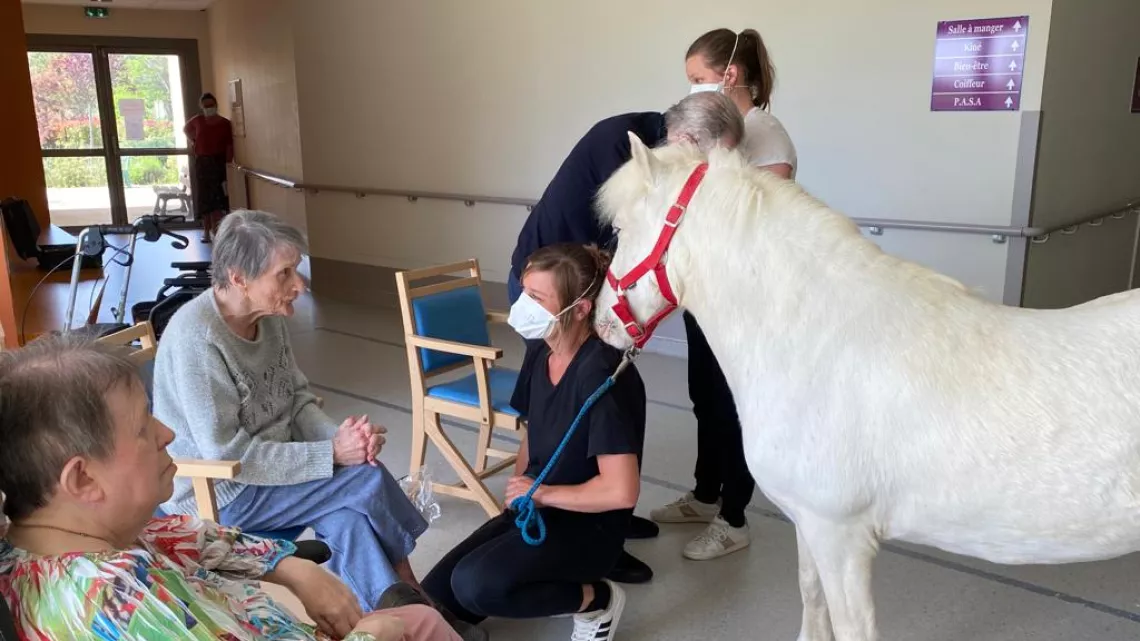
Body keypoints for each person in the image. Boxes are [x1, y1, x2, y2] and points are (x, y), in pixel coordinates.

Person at [0, 335, 461, 641]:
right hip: (238, 484)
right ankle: (402, 587)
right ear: (82, 479)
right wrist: (377, 634)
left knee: (359, 498)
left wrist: (291, 568)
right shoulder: (126, 604)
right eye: (143, 427)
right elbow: (233, 455)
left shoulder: (63, 542)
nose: (166, 433)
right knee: (410, 610)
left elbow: (185, 534)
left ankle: (399, 587)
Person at [151, 210, 440, 622]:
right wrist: (334, 455)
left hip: (276, 479)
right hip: (221, 494)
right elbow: (227, 455)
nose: (299, 285)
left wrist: (345, 441)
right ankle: (415, 593)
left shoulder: (269, 320)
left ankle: (390, 618)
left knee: (347, 517)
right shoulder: (196, 339)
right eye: (284, 273)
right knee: (367, 480)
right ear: (239, 278)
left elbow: (298, 401)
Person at [505, 91, 743, 585]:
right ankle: (584, 535)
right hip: (554, 292)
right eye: (710, 159)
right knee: (569, 407)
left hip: (590, 293)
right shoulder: (625, 146)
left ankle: (608, 511)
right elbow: (636, 239)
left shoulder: (646, 141)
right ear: (684, 140)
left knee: (613, 405)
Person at [424, 244, 646, 641]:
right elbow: (532, 430)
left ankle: (598, 600)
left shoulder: (602, 376)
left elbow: (620, 490)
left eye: (537, 299)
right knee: (434, 598)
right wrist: (519, 492)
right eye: (525, 293)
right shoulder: (542, 351)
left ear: (580, 309)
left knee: (477, 586)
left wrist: (542, 493)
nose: (524, 306)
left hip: (588, 527)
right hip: (538, 506)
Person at [648, 27, 800, 561]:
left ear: (729, 75)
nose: (692, 89)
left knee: (733, 405)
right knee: (705, 399)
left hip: (744, 301)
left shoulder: (766, 134)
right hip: (707, 294)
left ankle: (734, 519)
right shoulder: (710, 129)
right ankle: (705, 493)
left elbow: (763, 223)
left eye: (697, 79)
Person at [184, 92, 234, 243]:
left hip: (218, 163)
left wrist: (228, 161)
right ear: (202, 107)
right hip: (202, 163)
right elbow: (186, 129)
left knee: (218, 198)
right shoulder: (198, 121)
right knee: (205, 199)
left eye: (211, 105)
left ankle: (217, 231)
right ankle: (206, 230)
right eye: (206, 106)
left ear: (216, 105)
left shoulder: (224, 123)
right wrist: (194, 140)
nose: (209, 108)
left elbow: (229, 144)